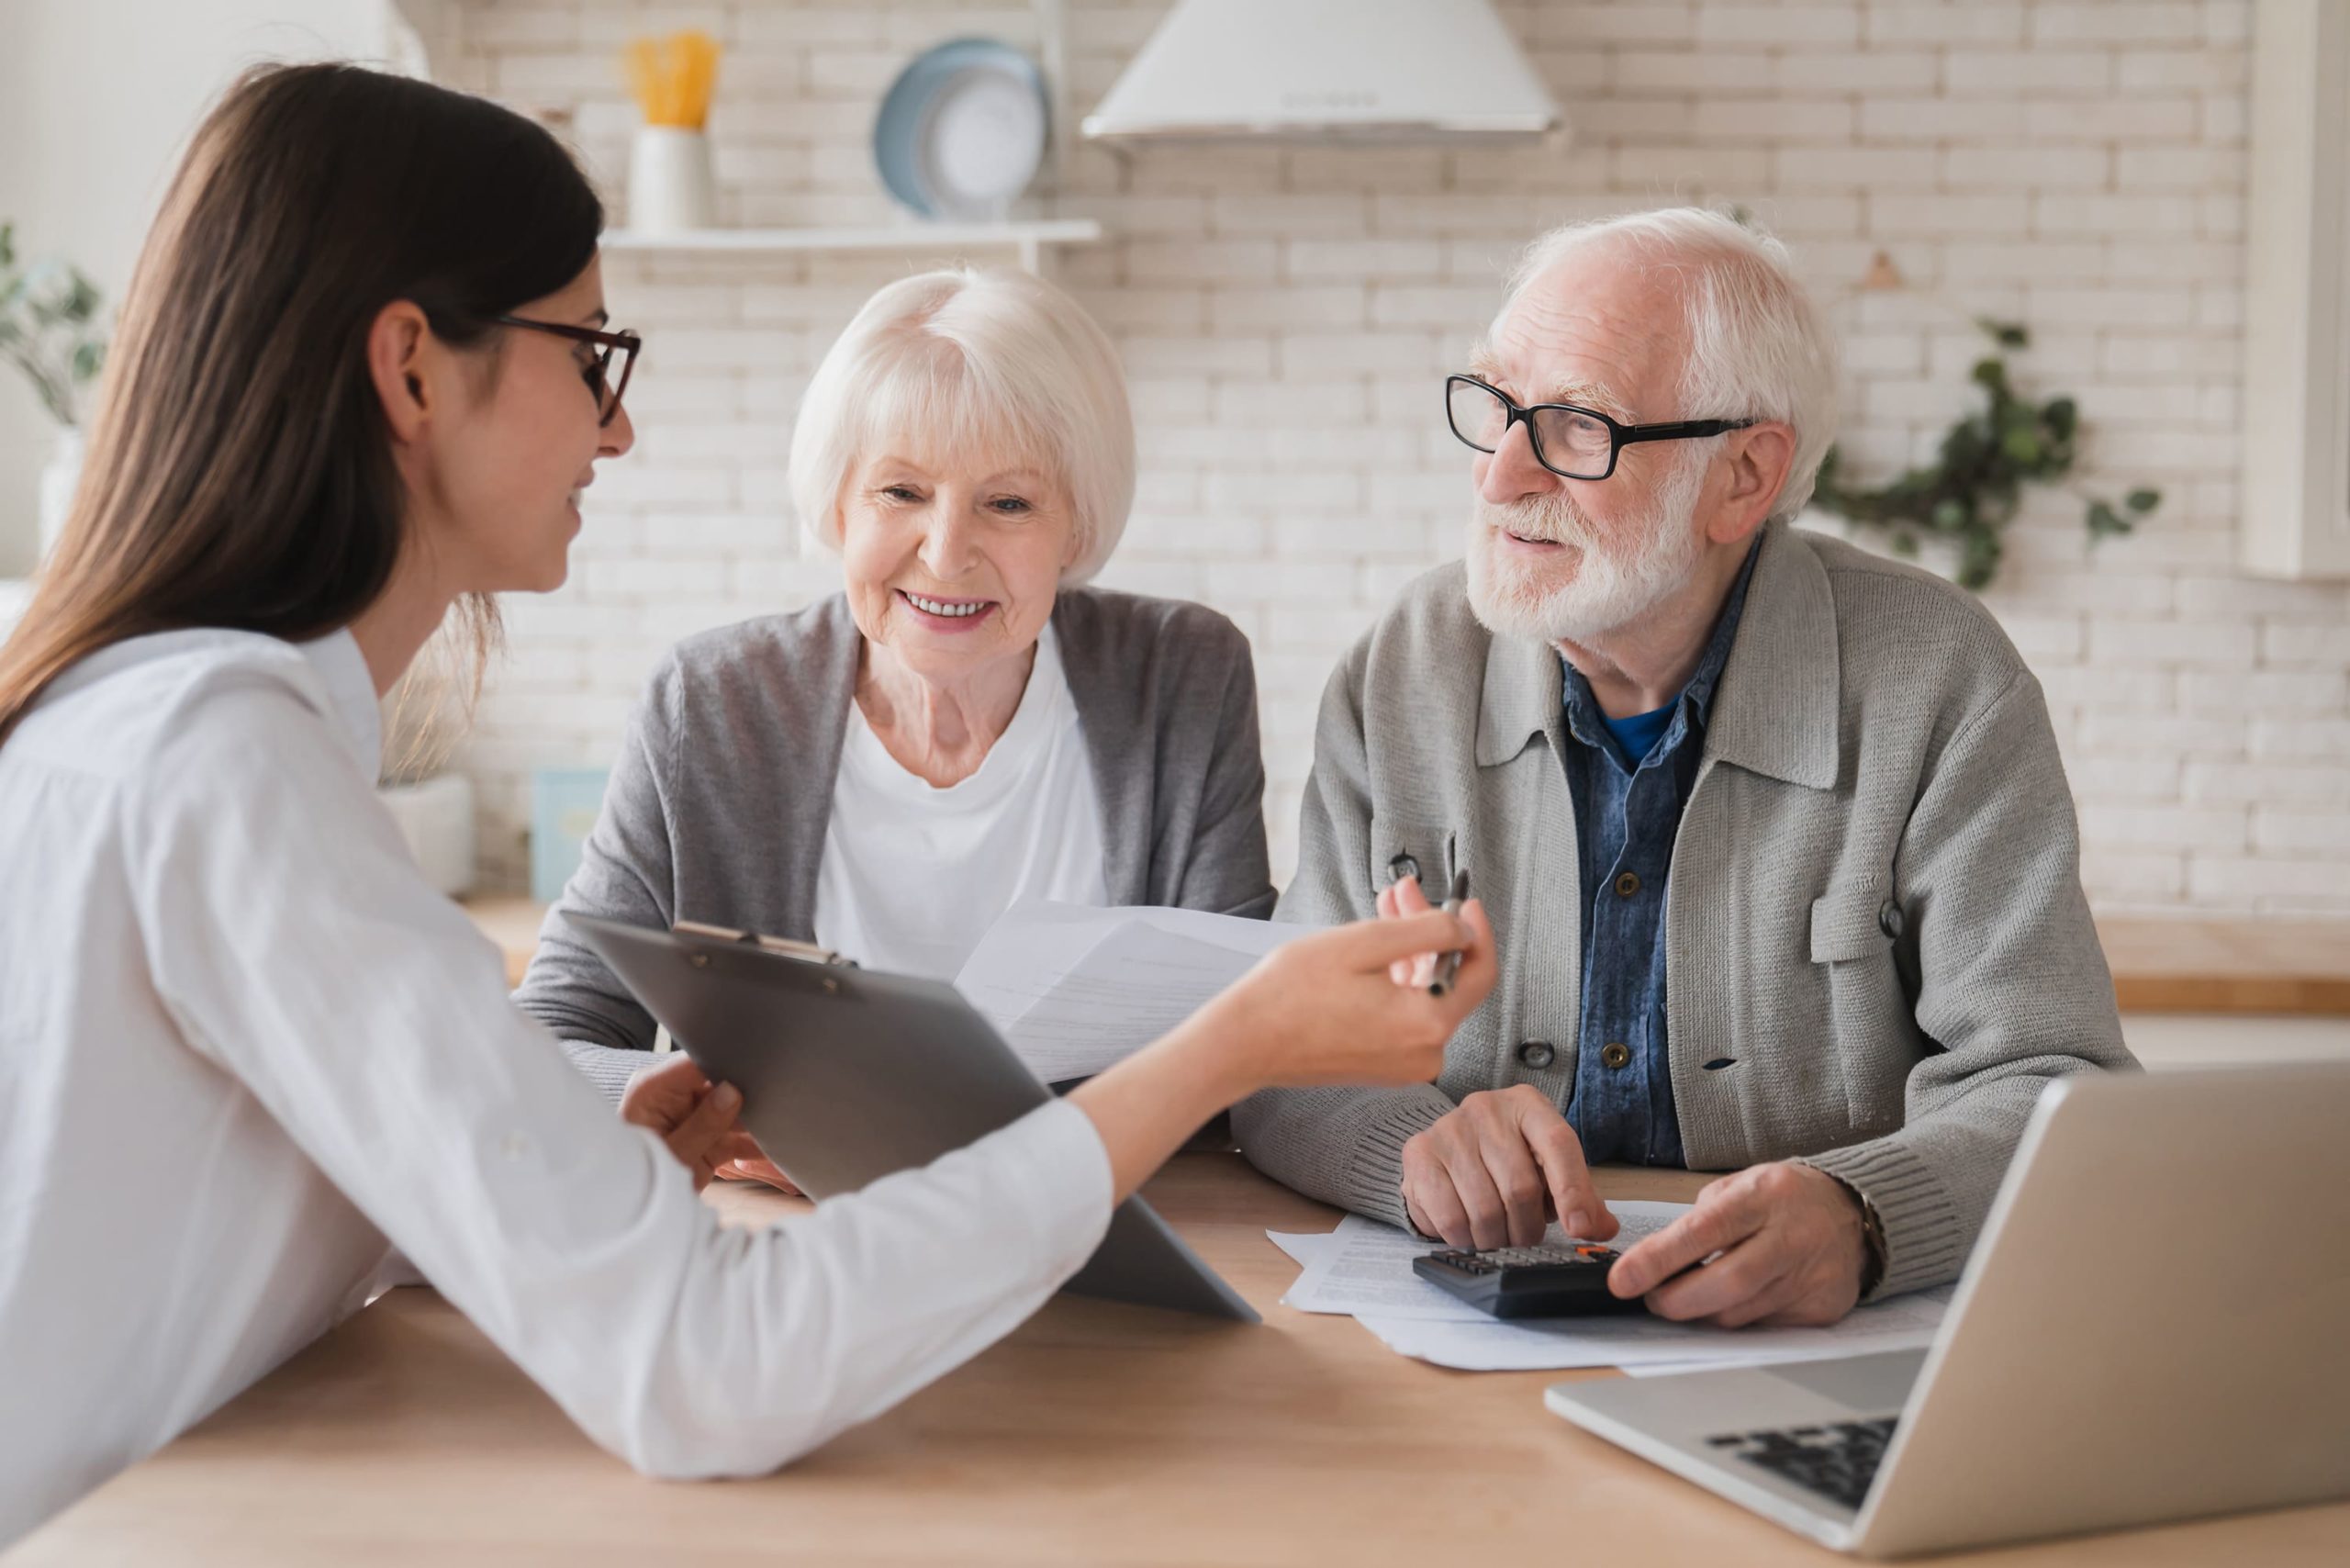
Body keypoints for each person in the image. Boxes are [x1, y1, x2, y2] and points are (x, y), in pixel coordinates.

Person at [0, 63, 1497, 1548]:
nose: (619, 427)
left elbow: (320, 1166)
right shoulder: (226, 764)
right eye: (590, 353)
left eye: (1008, 502)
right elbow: (708, 1364)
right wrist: (1230, 1035)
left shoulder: (149, 727)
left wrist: (594, 1114)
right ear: (411, 371)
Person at [1231, 207, 2135, 1328]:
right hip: (1452, 1331)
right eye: (1497, 407)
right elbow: (1274, 1050)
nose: (1500, 474)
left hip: (1815, 1340)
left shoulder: (1941, 680)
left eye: (1575, 427)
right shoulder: (1401, 668)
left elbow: (2056, 1082)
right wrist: (1408, 1145)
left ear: (1744, 477)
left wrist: (1863, 1215)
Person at [519, 266, 1275, 1154]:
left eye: (1009, 502)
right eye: (901, 492)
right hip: (793, 1241)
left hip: (1087, 1221)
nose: (947, 554)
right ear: (839, 505)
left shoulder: (1182, 677)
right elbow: (549, 1035)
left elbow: (1245, 1047)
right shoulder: (711, 705)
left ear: (1078, 525)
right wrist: (724, 1114)